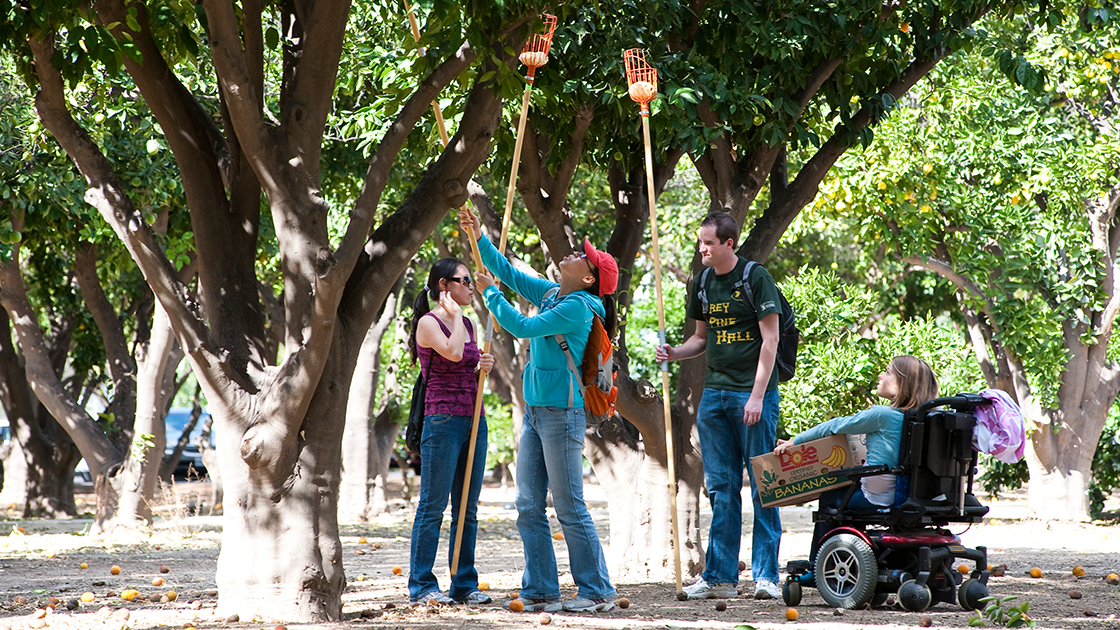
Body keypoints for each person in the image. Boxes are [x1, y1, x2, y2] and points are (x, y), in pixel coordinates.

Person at [459, 207, 618, 613]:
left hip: (563, 415)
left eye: (582, 257)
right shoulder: (553, 293)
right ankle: (541, 589)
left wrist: (489, 294)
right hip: (535, 411)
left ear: (587, 278)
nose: (573, 253)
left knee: (568, 505)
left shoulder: (579, 307)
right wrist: (477, 236)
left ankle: (596, 590)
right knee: (529, 504)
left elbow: (523, 327)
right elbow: (509, 273)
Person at [655, 210, 782, 600]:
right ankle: (719, 579)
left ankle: (765, 577)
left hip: (752, 393)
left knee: (765, 484)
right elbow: (700, 338)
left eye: (709, 243)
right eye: (700, 242)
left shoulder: (754, 277)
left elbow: (770, 340)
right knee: (722, 488)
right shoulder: (703, 281)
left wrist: (758, 396)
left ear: (729, 243)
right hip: (714, 394)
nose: (702, 249)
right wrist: (674, 353)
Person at [774, 355, 939, 580]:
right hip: (917, 497)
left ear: (902, 383)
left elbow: (835, 426)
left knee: (831, 498)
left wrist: (796, 441)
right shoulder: (931, 419)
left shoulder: (882, 415)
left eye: (888, 372)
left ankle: (818, 568)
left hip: (880, 497)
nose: (881, 375)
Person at [406, 258, 495, 606]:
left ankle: (463, 584)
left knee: (467, 509)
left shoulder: (470, 324)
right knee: (432, 507)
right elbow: (454, 353)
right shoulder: (429, 324)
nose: (471, 286)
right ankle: (423, 587)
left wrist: (483, 367)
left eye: (471, 281)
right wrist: (455, 315)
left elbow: (466, 365)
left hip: (475, 419)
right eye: (464, 280)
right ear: (444, 286)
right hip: (441, 421)